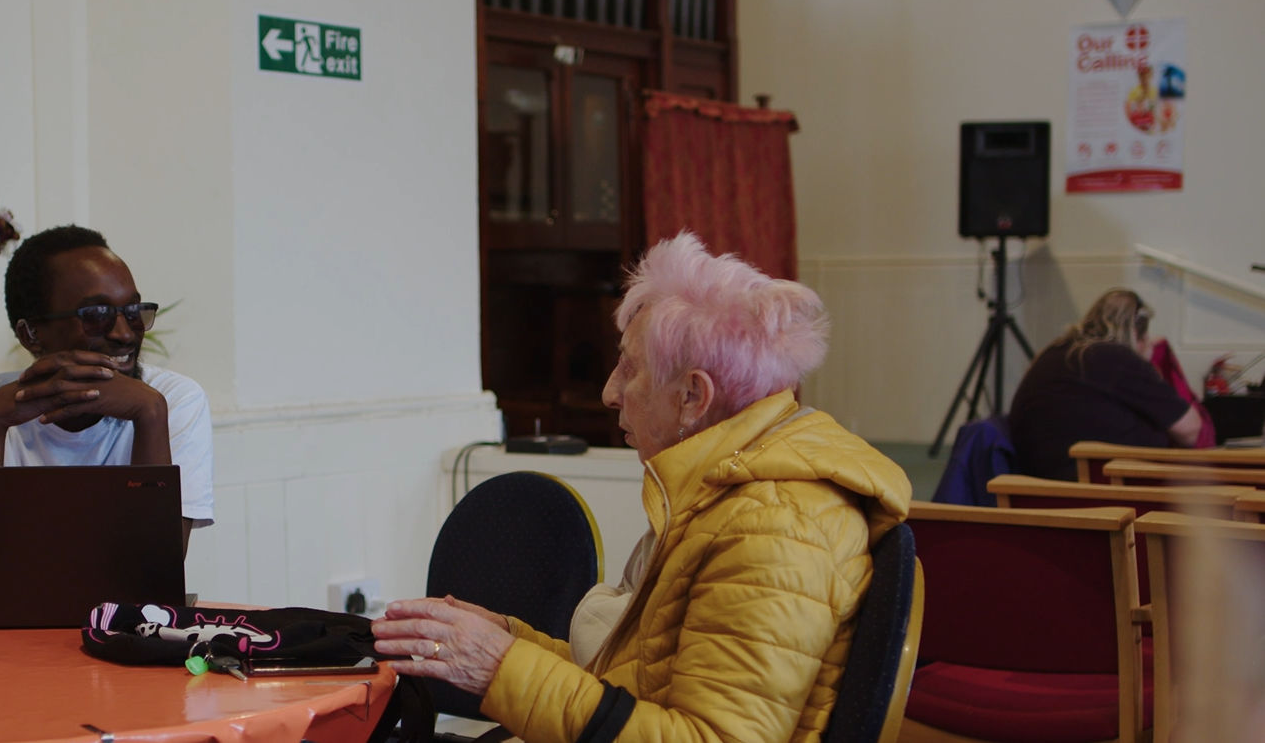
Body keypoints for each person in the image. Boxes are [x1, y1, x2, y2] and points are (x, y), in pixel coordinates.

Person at [373, 233, 911, 742]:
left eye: (630, 369)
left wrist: (500, 667)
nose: (610, 392)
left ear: (693, 397)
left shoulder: (773, 528)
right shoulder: (734, 494)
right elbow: (633, 689)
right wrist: (509, 642)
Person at [0, 225, 213, 551]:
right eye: (97, 315)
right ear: (31, 334)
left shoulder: (174, 399)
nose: (124, 334)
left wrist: (150, 414)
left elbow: (157, 563)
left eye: (133, 311)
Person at [1008, 288, 1201, 481]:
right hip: (1093, 486)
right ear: (1135, 334)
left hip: (1040, 480)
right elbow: (1190, 430)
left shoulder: (1057, 351)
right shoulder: (1116, 358)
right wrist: (1148, 363)